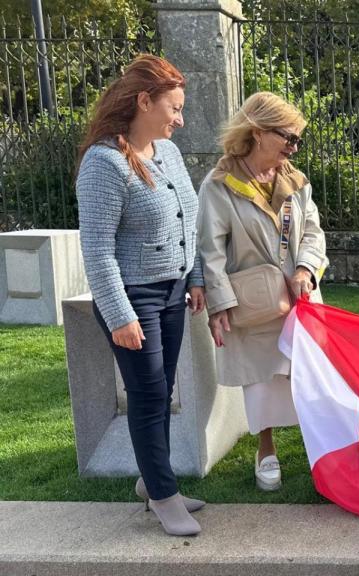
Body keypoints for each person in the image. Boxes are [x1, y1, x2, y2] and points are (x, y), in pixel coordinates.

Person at [76, 54, 206, 536]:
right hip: (134, 299)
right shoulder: (104, 162)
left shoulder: (166, 153)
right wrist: (119, 315)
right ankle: (162, 494)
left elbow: (186, 221)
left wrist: (194, 278)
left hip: (172, 292)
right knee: (149, 395)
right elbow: (97, 249)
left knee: (161, 389)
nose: (180, 118)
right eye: (173, 107)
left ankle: (153, 482)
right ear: (144, 101)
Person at [197, 92, 328, 491]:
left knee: (309, 375)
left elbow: (313, 232)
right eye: (288, 137)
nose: (293, 146)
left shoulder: (295, 180)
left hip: (301, 297)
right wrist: (219, 304)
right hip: (253, 301)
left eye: (297, 140)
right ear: (257, 133)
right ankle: (265, 448)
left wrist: (306, 269)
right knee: (261, 377)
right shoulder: (219, 185)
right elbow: (210, 251)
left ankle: (318, 446)